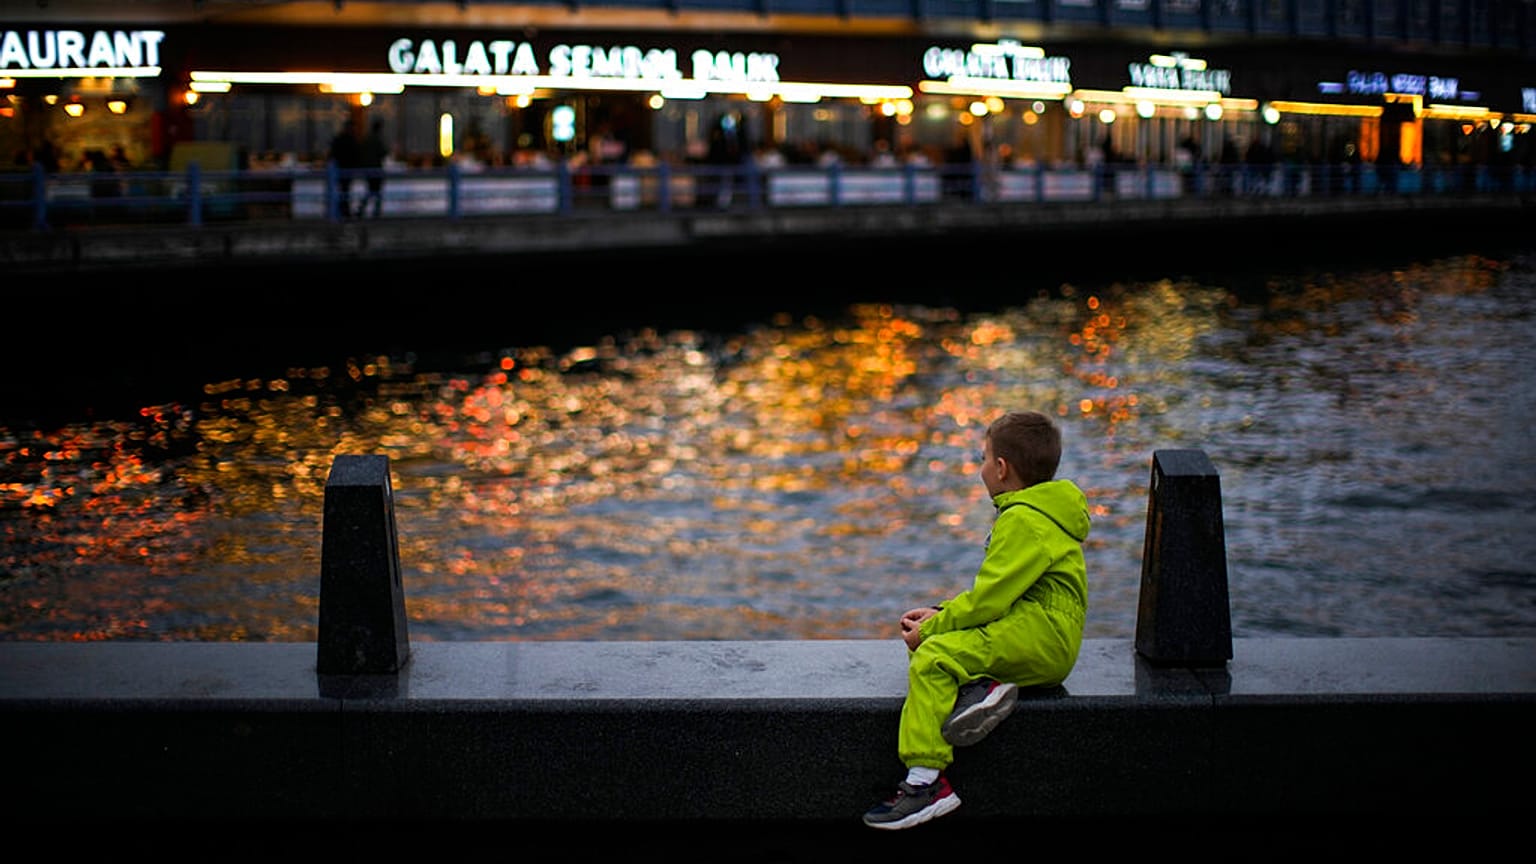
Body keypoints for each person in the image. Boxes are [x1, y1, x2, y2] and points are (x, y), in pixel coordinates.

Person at [862, 409, 1091, 830]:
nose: (981, 467)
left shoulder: (1022, 519)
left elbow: (988, 602)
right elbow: (1001, 597)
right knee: (937, 647)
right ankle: (981, 689)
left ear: (1001, 468)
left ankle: (925, 784)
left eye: (983, 458)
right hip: (1039, 632)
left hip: (1041, 636)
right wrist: (942, 613)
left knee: (932, 658)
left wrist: (933, 627)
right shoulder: (1041, 513)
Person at [327, 121, 359, 219]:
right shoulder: (349, 140)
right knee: (344, 191)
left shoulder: (340, 139)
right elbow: (354, 154)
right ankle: (344, 211)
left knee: (342, 191)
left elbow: (333, 153)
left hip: (340, 168)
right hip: (344, 168)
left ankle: (342, 211)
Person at [357, 119, 387, 219]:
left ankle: (362, 208)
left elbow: (361, 152)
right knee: (376, 190)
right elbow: (383, 152)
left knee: (370, 190)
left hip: (368, 168)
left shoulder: (367, 139)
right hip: (376, 168)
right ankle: (376, 211)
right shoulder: (378, 140)